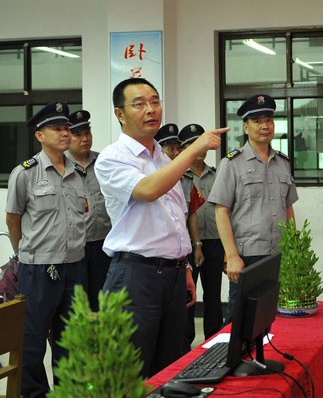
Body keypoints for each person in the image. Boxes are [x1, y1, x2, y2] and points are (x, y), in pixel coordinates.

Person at [95, 78, 227, 377]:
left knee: (169, 368)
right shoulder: (112, 158)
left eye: (155, 102)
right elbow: (149, 190)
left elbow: (176, 216)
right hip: (135, 276)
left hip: (173, 274)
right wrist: (193, 150)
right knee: (131, 371)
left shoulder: (162, 158)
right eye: (139, 104)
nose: (150, 109)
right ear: (119, 114)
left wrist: (185, 267)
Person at [5, 102, 88, 398]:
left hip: (75, 266)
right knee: (33, 339)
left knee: (70, 338)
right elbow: (13, 219)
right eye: (57, 129)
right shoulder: (25, 173)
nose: (65, 133)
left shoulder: (78, 171)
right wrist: (26, 255)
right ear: (40, 135)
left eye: (67, 128)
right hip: (38, 269)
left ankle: (67, 396)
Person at [208, 94, 298, 322]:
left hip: (278, 253)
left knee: (275, 318)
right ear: (246, 127)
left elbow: (288, 208)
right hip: (247, 256)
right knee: (240, 320)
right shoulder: (231, 164)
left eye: (269, 120)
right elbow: (221, 211)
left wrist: (293, 249)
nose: (265, 126)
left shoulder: (283, 163)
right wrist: (231, 256)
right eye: (257, 121)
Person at [179, 123, 225, 349]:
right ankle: (185, 344)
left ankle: (214, 341)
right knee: (188, 296)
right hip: (189, 245)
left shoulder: (216, 175)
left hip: (215, 241)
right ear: (184, 148)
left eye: (200, 142)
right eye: (191, 144)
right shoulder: (178, 176)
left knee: (213, 293)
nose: (198, 148)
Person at [66, 109, 112, 312]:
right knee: (76, 299)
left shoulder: (103, 162)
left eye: (87, 133)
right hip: (75, 244)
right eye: (78, 135)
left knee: (102, 297)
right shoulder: (61, 165)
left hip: (104, 241)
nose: (84, 139)